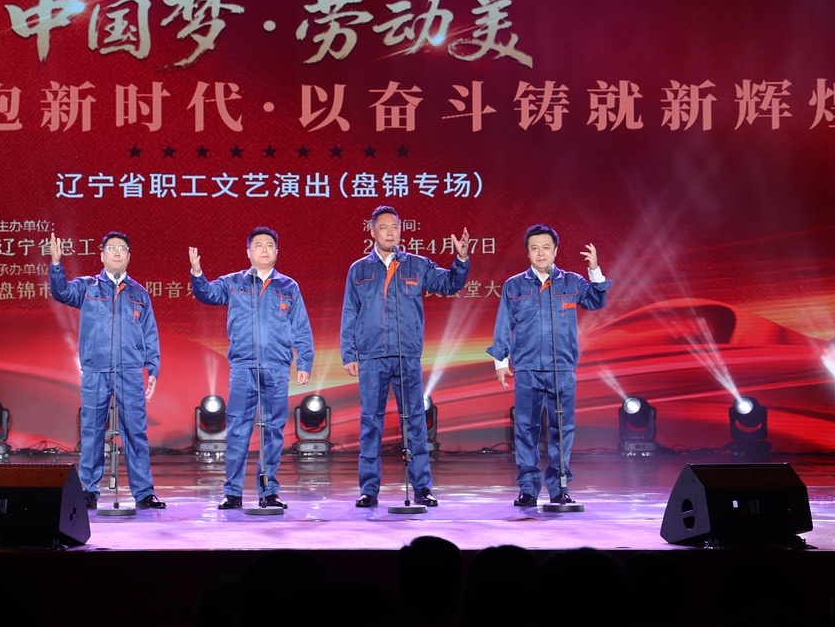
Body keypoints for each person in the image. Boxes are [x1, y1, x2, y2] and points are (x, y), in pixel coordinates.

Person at [340, 205, 470, 508]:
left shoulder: (417, 265)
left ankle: (422, 487)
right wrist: (349, 353)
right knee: (370, 423)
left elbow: (450, 283)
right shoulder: (359, 270)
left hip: (407, 355)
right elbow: (349, 313)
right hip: (372, 356)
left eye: (395, 227)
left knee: (415, 423)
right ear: (372, 231)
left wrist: (461, 259)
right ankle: (369, 490)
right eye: (384, 227)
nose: (390, 233)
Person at [190, 227, 314, 510]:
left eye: (269, 245)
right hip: (244, 366)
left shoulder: (288, 286)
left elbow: (301, 327)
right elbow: (208, 294)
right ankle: (233, 492)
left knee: (273, 431)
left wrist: (304, 361)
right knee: (238, 430)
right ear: (248, 252)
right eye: (258, 245)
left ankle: (269, 491)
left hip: (277, 367)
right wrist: (197, 274)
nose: (264, 250)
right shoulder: (235, 282)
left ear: (277, 251)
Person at [488, 223, 609, 508]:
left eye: (546, 248)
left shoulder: (572, 282)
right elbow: (503, 324)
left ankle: (560, 488)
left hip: (561, 369)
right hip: (528, 368)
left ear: (555, 251)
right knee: (526, 430)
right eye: (534, 248)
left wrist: (594, 271)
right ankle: (528, 489)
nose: (540, 253)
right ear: (528, 253)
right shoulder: (514, 285)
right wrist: (500, 362)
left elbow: (596, 301)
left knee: (562, 430)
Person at [49, 230, 166, 510]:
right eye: (111, 248)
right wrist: (56, 264)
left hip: (129, 371)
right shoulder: (87, 287)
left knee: (135, 432)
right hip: (96, 370)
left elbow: (150, 333)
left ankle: (144, 493)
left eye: (121, 249)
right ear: (101, 255)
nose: (116, 253)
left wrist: (153, 368)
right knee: (92, 431)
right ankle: (88, 490)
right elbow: (61, 292)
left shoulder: (139, 293)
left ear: (129, 256)